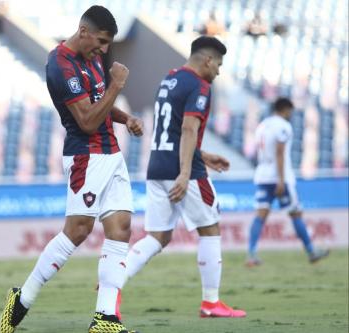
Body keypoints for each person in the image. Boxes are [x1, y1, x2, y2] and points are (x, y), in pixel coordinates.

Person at [0, 5, 143, 333]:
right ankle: (22, 298)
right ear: (83, 31)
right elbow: (88, 121)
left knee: (120, 228)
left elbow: (98, 102)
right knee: (78, 230)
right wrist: (117, 85)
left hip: (111, 153)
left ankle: (104, 318)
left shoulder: (91, 57)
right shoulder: (60, 64)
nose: (104, 50)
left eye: (107, 44)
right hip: (86, 156)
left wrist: (126, 118)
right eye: (101, 41)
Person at [125, 36, 246, 318]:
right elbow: (189, 129)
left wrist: (203, 155)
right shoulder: (200, 86)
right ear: (207, 60)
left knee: (156, 237)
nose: (218, 71)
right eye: (218, 64)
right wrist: (187, 171)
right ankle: (211, 302)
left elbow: (172, 132)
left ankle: (113, 281)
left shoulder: (168, 80)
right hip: (183, 171)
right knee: (210, 228)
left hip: (156, 166)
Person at [247, 97, 330, 266]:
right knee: (295, 213)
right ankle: (311, 252)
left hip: (262, 175)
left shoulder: (262, 125)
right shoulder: (283, 126)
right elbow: (279, 152)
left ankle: (251, 254)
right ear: (285, 109)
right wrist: (281, 180)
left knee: (260, 215)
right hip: (280, 177)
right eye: (290, 111)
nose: (290, 115)